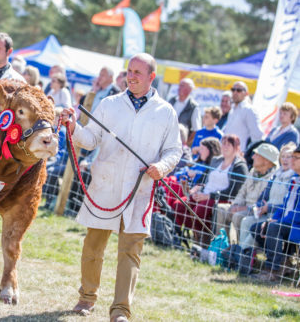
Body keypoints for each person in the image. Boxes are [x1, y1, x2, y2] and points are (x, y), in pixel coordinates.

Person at [60, 53, 181, 321]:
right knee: (93, 246)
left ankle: (120, 310)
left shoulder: (165, 112)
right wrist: (73, 126)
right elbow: (90, 139)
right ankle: (87, 297)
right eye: (129, 71)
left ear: (151, 77)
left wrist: (161, 167)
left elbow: (174, 150)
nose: (132, 76)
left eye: (138, 72)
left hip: (139, 189)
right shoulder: (109, 104)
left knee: (130, 252)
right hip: (107, 185)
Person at [183, 134, 248, 247]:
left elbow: (233, 191)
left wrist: (210, 196)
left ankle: (207, 241)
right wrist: (198, 188)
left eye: (229, 144)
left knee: (200, 210)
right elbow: (204, 178)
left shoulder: (239, 166)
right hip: (206, 194)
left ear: (236, 147)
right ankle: (196, 238)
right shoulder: (215, 161)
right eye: (223, 144)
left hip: (221, 198)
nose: (225, 147)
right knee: (186, 204)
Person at [214, 143, 278, 242]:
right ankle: (223, 245)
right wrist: (235, 205)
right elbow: (242, 192)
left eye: (257, 155)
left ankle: (240, 250)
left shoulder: (273, 178)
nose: (252, 157)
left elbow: (263, 203)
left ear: (266, 160)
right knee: (221, 209)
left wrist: (243, 208)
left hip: (257, 212)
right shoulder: (253, 172)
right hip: (243, 207)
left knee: (238, 216)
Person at [255, 144, 300, 281]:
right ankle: (283, 262)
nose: (292, 160)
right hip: (288, 222)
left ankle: (273, 270)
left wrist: (277, 222)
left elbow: (297, 213)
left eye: (296, 157)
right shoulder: (295, 179)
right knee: (257, 228)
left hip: (296, 225)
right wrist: (274, 218)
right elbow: (284, 206)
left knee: (273, 228)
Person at [239, 143, 296, 249]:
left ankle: (243, 256)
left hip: (279, 217)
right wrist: (259, 207)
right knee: (246, 221)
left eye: (289, 157)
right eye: (282, 156)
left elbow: (288, 204)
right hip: (266, 214)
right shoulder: (275, 176)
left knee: (254, 234)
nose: (285, 160)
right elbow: (263, 197)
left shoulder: (294, 179)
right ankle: (244, 256)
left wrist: (268, 207)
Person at [223, 81, 263, 151]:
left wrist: (250, 155)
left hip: (240, 155)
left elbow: (257, 136)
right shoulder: (232, 110)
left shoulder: (249, 110)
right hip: (228, 154)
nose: (235, 92)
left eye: (239, 90)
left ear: (246, 93)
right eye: (233, 90)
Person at [168, 78, 201, 146]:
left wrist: (185, 143)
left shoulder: (193, 107)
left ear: (189, 90)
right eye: (179, 85)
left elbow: (196, 130)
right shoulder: (172, 101)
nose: (179, 88)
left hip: (180, 144)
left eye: (182, 86)